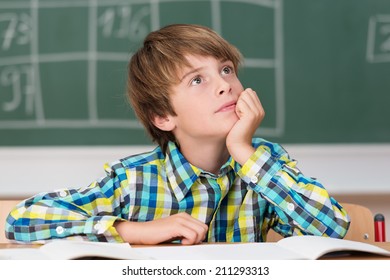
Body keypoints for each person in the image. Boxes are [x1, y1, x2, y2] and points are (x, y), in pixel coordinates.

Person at [5, 24, 350, 244]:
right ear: (163, 116)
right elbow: (21, 219)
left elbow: (332, 228)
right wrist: (130, 230)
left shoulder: (263, 164)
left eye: (226, 70)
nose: (224, 87)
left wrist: (244, 150)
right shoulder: (134, 180)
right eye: (197, 80)